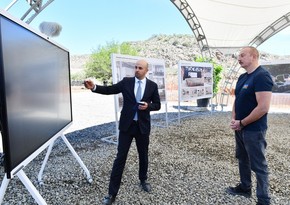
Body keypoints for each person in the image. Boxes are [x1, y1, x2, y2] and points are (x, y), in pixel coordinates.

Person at [84, 59, 161, 205]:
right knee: (120, 158)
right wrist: (94, 87)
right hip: (127, 126)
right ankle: (112, 194)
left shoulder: (152, 86)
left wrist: (148, 106)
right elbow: (110, 90)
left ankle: (143, 179)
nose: (137, 70)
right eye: (136, 67)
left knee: (143, 154)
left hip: (142, 127)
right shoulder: (126, 82)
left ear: (146, 70)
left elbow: (157, 105)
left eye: (140, 68)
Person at [226, 46, 273, 205]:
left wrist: (242, 122)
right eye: (238, 55)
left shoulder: (262, 76)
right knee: (242, 158)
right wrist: (234, 118)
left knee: (258, 165)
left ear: (253, 56)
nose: (239, 58)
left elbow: (263, 108)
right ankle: (245, 187)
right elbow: (237, 100)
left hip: (253, 129)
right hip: (239, 127)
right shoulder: (242, 77)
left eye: (242, 55)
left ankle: (263, 199)